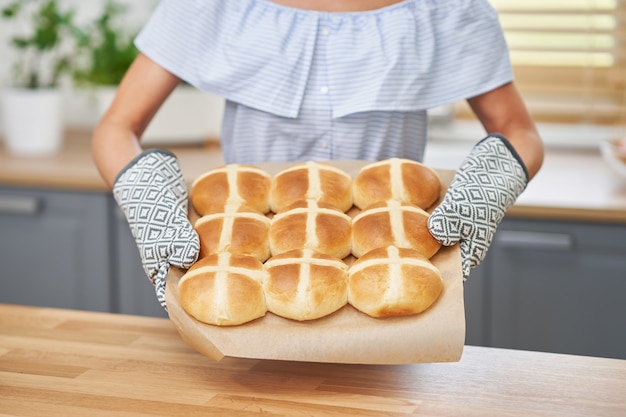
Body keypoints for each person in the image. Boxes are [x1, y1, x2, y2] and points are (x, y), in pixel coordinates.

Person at [92, 0, 544, 309]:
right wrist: (145, 195)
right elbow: (116, 128)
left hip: (391, 276)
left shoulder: (445, 8)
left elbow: (517, 131)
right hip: (235, 273)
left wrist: (489, 185)